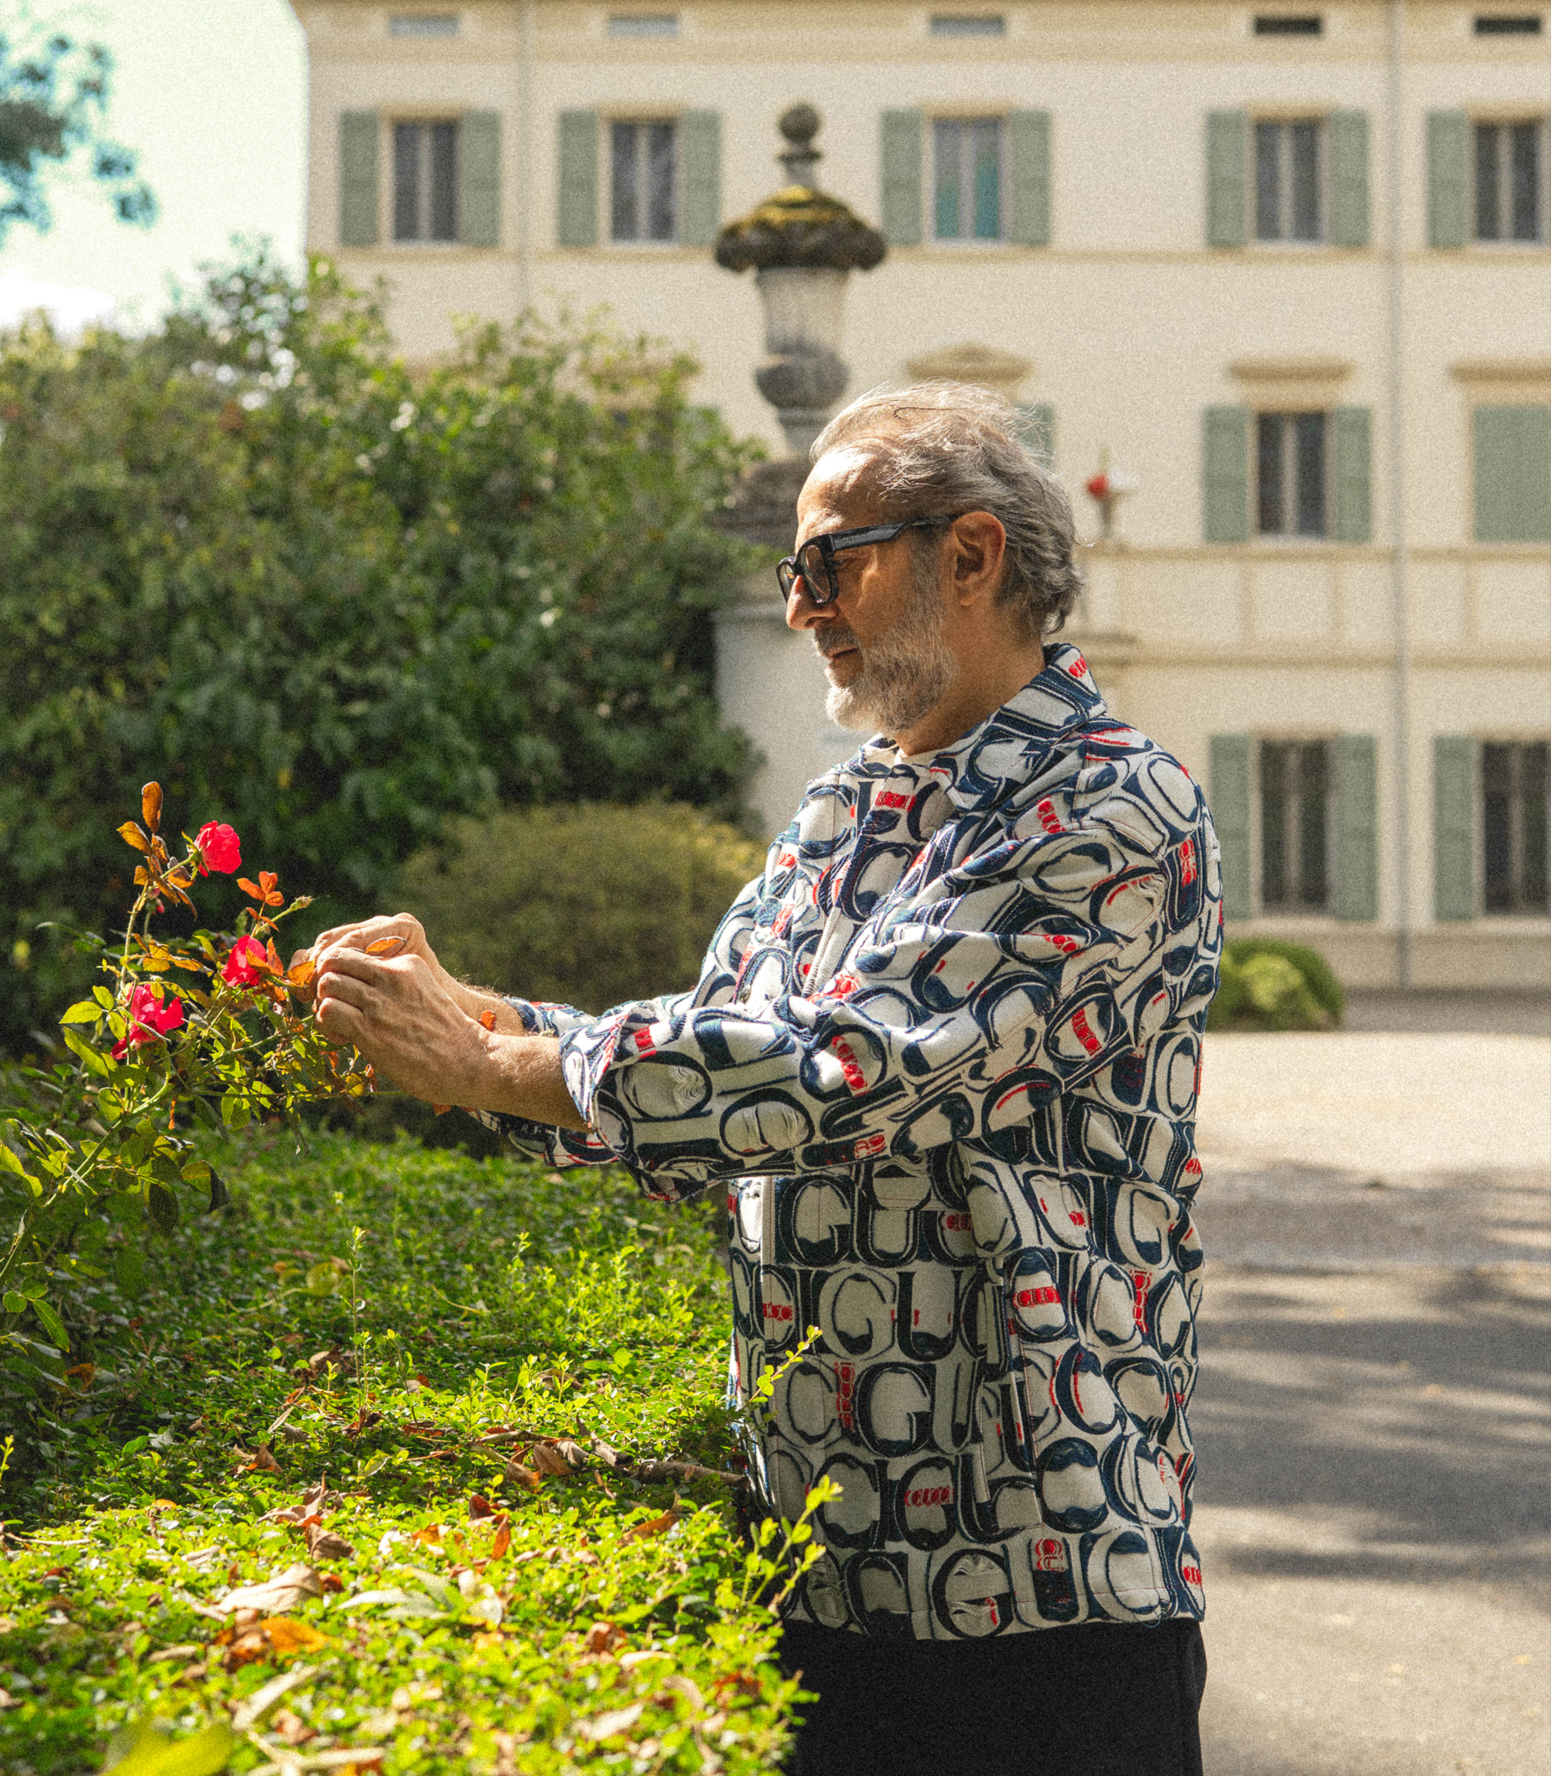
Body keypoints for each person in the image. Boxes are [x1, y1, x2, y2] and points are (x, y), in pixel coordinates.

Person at [304, 381, 1220, 1776]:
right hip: (816, 1581)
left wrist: (496, 1062)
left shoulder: (1115, 806)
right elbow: (720, 1054)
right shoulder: (847, 807)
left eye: (828, 559)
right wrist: (473, 1015)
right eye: (794, 571)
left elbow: (843, 1073)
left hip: (1046, 1602)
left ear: (971, 557)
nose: (800, 607)